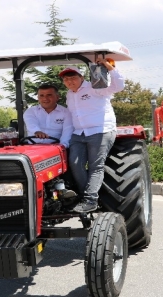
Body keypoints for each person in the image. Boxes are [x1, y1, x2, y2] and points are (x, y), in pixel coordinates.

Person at [60, 59, 125, 213]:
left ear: (81, 77)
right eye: (66, 79)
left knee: (96, 166)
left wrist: (109, 67)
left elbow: (118, 86)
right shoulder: (70, 95)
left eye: (73, 77)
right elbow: (70, 117)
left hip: (100, 130)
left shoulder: (95, 87)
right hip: (79, 133)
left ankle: (90, 200)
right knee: (75, 164)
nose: (70, 81)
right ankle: (86, 197)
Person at [23, 83, 73, 148]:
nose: (45, 98)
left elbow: (67, 132)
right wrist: (37, 131)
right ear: (38, 98)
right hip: (33, 147)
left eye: (49, 95)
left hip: (56, 147)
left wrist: (62, 146)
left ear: (57, 97)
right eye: (42, 95)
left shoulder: (66, 112)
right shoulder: (30, 111)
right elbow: (31, 124)